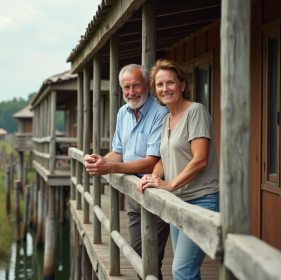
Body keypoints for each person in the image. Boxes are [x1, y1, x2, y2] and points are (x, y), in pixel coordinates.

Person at [85, 64, 170, 279]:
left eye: (136, 86)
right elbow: (118, 152)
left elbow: (152, 162)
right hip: (133, 195)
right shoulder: (123, 112)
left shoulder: (161, 113)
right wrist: (101, 160)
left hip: (156, 193)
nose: (131, 93)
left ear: (148, 86)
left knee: (151, 261)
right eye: (126, 87)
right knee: (139, 255)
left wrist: (109, 167)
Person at [137, 59, 219, 280]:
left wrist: (169, 184)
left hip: (201, 201)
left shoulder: (196, 112)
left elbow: (200, 159)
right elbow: (165, 157)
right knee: (189, 270)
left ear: (183, 84)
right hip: (178, 202)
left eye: (170, 83)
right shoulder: (167, 120)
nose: (165, 89)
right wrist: (151, 178)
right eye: (160, 85)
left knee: (182, 270)